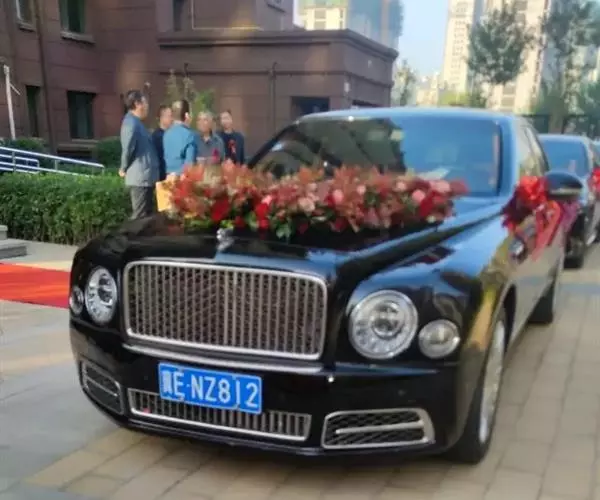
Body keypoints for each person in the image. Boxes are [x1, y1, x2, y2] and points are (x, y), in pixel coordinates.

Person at [119, 90, 159, 219]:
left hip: (146, 177)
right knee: (139, 217)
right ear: (137, 104)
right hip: (140, 179)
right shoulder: (130, 123)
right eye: (145, 102)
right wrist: (123, 167)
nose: (147, 106)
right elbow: (128, 148)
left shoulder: (137, 123)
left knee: (146, 218)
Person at [163, 100, 198, 176]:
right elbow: (189, 165)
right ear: (187, 115)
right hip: (183, 178)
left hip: (169, 177)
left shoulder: (166, 134)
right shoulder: (189, 135)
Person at [151, 105, 173, 181]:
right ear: (161, 118)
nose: (171, 119)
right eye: (169, 116)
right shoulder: (157, 136)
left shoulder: (170, 134)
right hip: (162, 177)